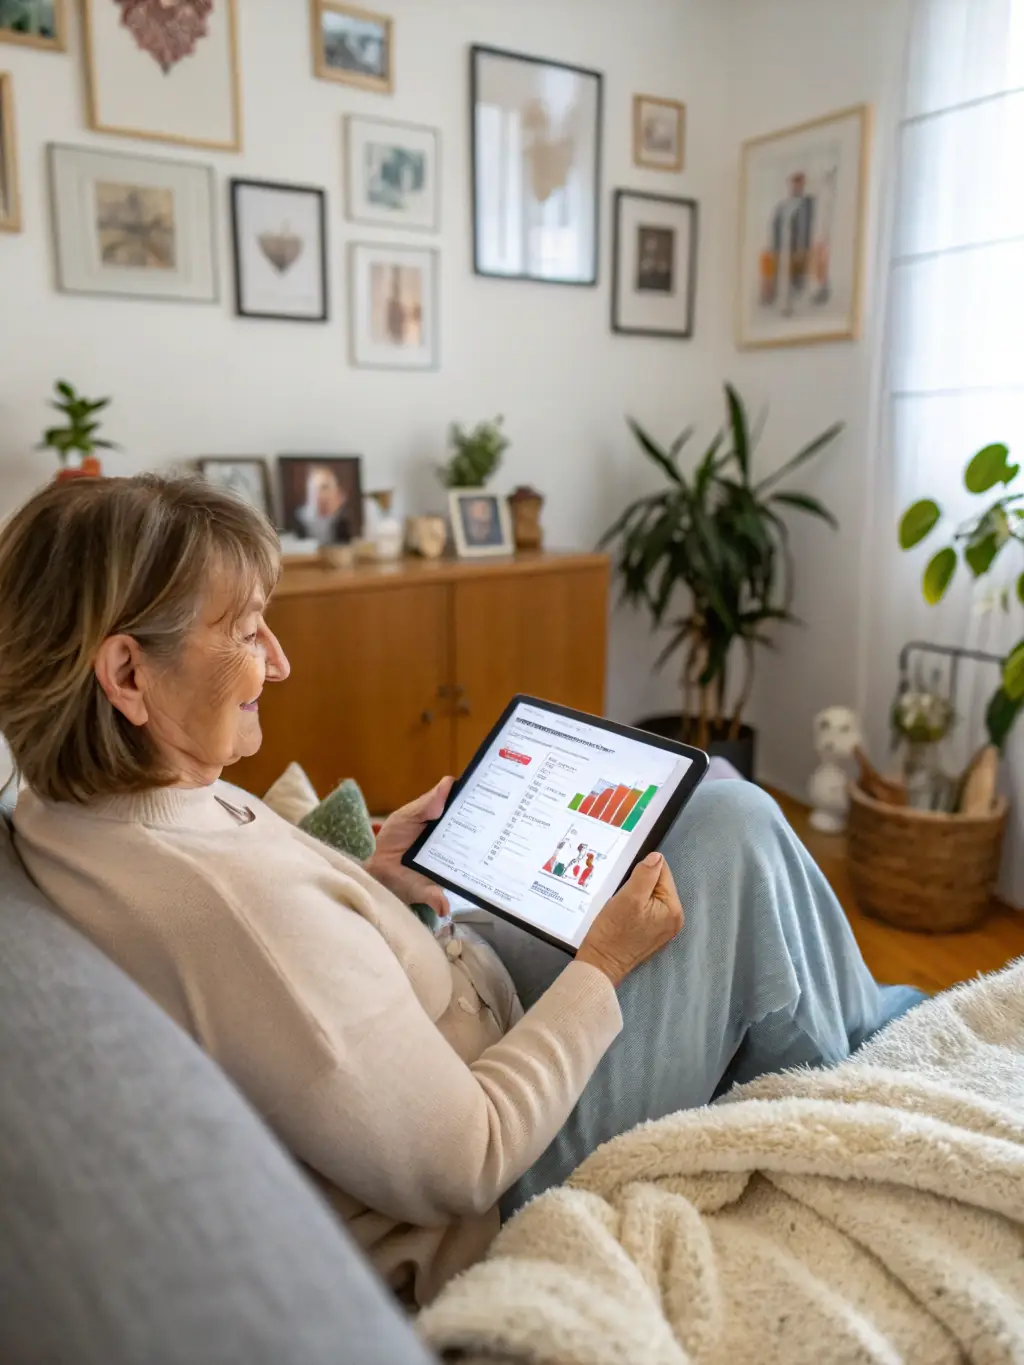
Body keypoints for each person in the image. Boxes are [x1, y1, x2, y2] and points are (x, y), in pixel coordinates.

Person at [0, 476, 922, 1308]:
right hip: (512, 1152)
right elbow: (468, 1158)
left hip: (456, 989)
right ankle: (873, 1057)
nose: (278, 661)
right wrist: (604, 964)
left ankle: (851, 1024)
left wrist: (361, 877)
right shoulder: (233, 915)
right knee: (742, 827)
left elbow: (283, 961)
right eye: (245, 631)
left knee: (706, 792)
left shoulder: (73, 805)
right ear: (125, 674)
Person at [292, 464, 351, 545]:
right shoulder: (299, 518)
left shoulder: (343, 518)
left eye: (324, 487)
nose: (318, 494)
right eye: (313, 489)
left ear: (337, 492)